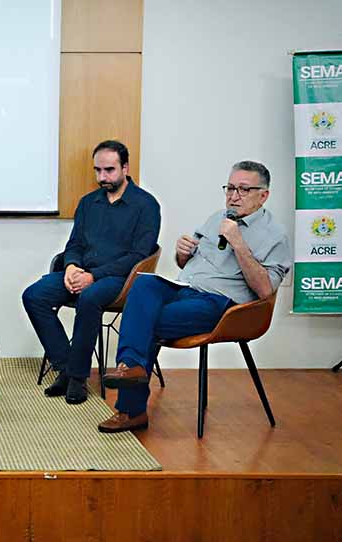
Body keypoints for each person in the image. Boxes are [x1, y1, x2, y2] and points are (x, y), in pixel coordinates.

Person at [98, 160, 291, 433]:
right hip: (183, 288)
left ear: (264, 195)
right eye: (230, 188)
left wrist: (238, 243)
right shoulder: (217, 218)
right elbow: (185, 263)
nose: (234, 196)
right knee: (143, 284)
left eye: (244, 189)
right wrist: (183, 253)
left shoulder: (275, 236)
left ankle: (131, 407)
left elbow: (265, 289)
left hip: (220, 303)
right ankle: (133, 368)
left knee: (144, 321)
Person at [22, 140, 161, 404]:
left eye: (109, 170)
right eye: (98, 170)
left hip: (121, 280)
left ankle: (77, 378)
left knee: (89, 298)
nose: (102, 177)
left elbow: (138, 256)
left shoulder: (146, 205)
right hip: (83, 272)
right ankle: (66, 367)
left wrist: (93, 277)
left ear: (125, 168)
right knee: (34, 295)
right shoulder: (89, 203)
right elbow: (74, 243)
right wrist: (71, 266)